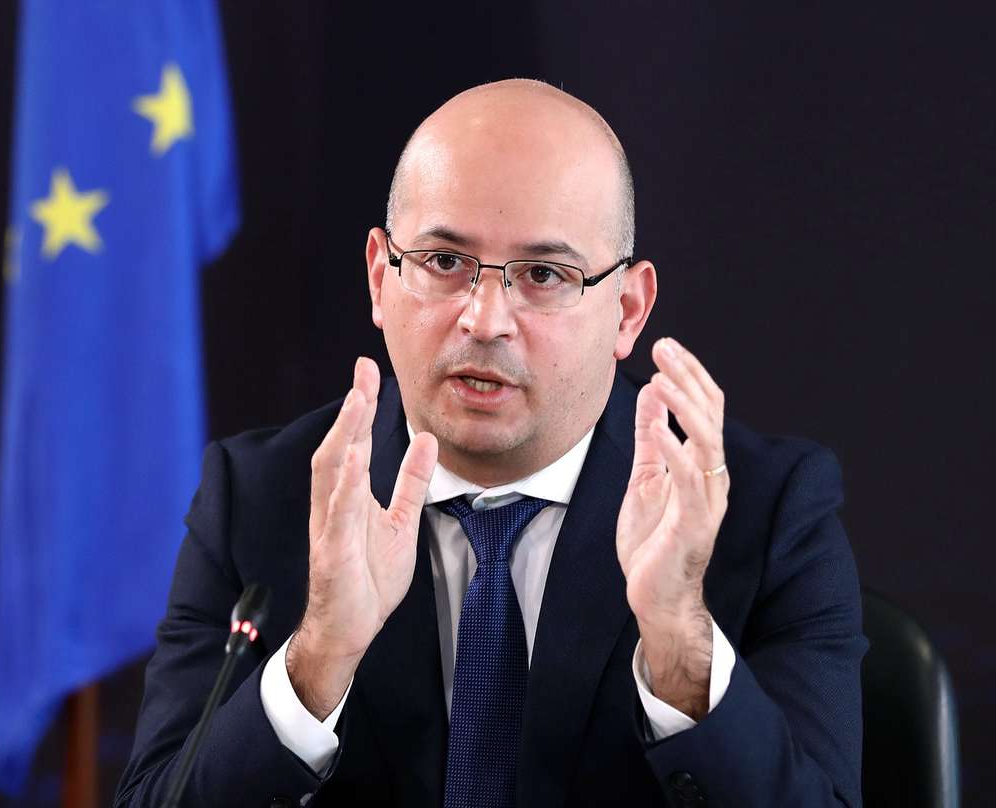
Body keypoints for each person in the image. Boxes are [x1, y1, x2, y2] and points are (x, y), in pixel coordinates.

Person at [115, 79, 864, 807]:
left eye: (543, 274)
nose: (485, 319)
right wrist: (316, 662)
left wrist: (678, 645)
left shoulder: (763, 514)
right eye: (445, 263)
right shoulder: (261, 500)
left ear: (628, 310)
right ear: (380, 278)